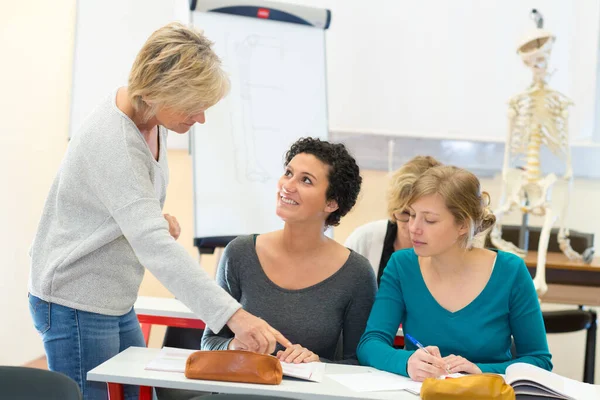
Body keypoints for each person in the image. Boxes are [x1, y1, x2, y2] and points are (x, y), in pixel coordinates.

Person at [27, 23, 289, 400]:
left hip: (113, 296)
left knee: (138, 395)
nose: (200, 119)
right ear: (158, 91)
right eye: (194, 106)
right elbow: (155, 248)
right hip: (76, 299)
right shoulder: (114, 141)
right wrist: (236, 316)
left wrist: (144, 215)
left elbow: (119, 201)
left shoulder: (152, 118)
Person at [357, 165, 552, 381]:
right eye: (411, 215)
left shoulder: (510, 271)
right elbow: (370, 344)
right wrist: (407, 362)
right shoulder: (402, 265)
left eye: (429, 220)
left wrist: (480, 370)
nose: (414, 227)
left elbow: (539, 360)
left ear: (463, 225)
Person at [202, 137, 377, 363]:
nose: (288, 185)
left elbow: (359, 363)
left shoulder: (356, 273)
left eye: (306, 180)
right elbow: (209, 342)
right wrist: (236, 345)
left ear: (331, 203)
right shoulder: (239, 253)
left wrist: (317, 363)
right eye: (288, 173)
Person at [345, 156, 441, 284]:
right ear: (393, 209)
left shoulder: (450, 255)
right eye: (404, 213)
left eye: (427, 218)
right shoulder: (364, 240)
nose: (412, 226)